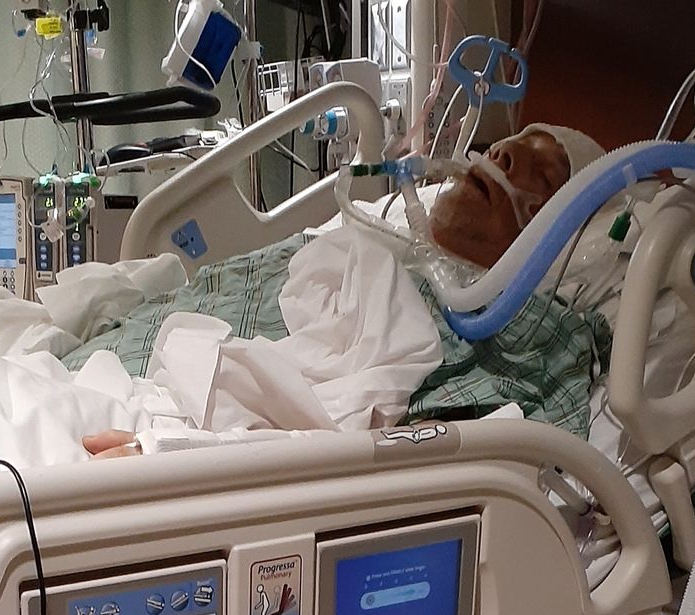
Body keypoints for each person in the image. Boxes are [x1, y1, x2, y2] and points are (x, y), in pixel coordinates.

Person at [85, 123, 606, 459]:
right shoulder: (360, 245)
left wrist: (174, 447)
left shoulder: (519, 334)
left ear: (563, 235)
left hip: (143, 417)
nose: (504, 154)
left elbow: (346, 442)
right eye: (512, 142)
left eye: (544, 174)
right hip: (104, 356)